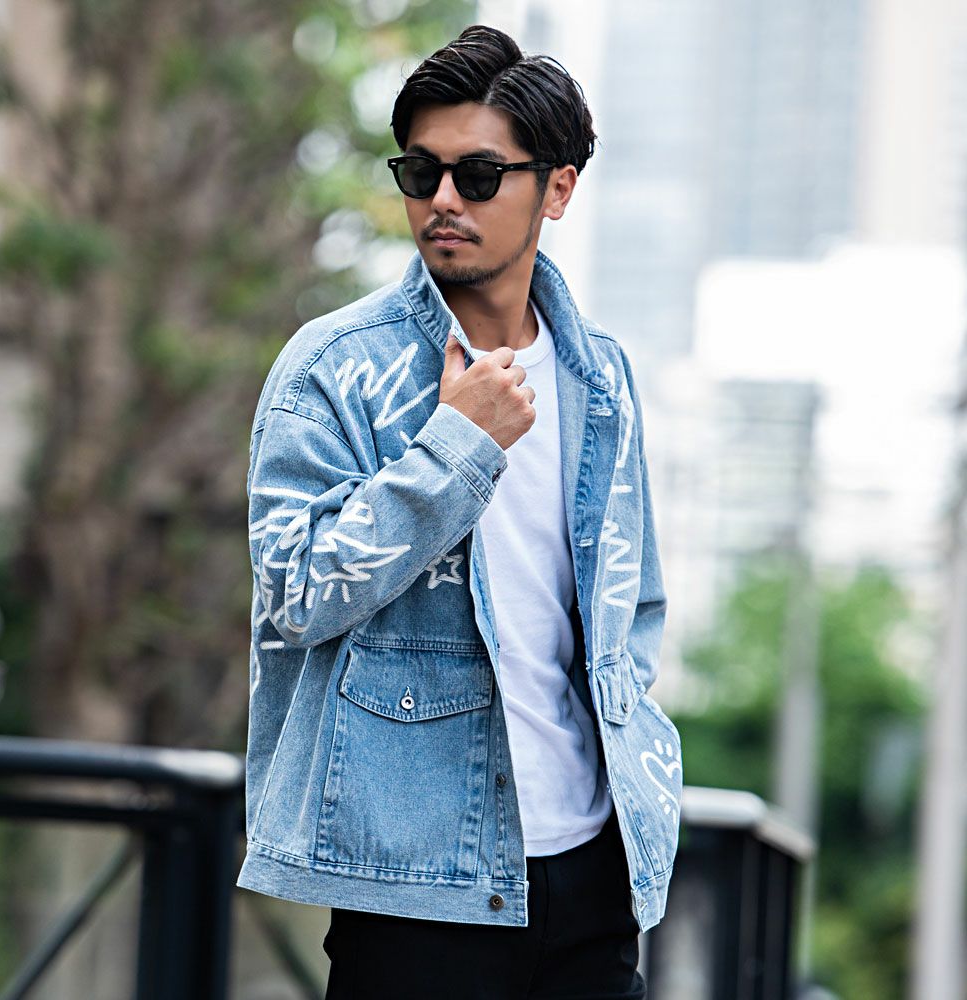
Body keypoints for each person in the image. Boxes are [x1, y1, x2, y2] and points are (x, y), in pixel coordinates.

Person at [236, 23, 683, 999]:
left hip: (593, 873)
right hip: (414, 884)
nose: (442, 199)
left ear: (556, 189)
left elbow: (630, 609)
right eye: (420, 172)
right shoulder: (334, 369)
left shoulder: (600, 377)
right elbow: (296, 594)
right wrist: (457, 446)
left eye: (478, 176)